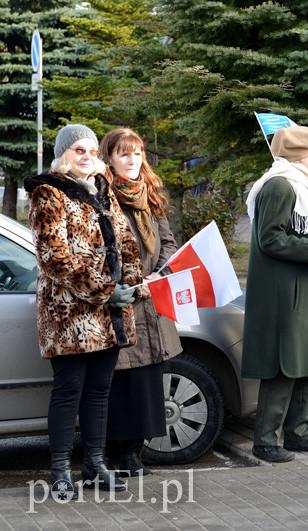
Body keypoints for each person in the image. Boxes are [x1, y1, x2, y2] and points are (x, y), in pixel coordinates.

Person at [24, 124, 142, 493]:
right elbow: (54, 258)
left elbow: (126, 243)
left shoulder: (102, 190)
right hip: (69, 315)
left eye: (92, 150)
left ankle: (95, 465)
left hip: (108, 316)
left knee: (99, 391)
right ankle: (60, 471)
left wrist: (131, 283)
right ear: (63, 154)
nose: (87, 156)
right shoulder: (48, 192)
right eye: (79, 150)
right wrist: (106, 290)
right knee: (68, 390)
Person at [241, 126, 308, 463]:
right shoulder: (280, 186)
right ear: (300, 155)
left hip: (305, 289)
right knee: (284, 364)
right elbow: (271, 239)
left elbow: (301, 231)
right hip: (286, 293)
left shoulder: (297, 185)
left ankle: (300, 432)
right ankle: (266, 440)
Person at [99, 128, 182, 476]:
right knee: (119, 383)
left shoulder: (150, 194)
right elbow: (97, 250)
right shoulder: (101, 197)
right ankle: (110, 452)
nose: (132, 160)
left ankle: (134, 453)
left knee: (147, 381)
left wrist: (158, 276)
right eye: (124, 153)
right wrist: (128, 283)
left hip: (152, 300)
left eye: (137, 153)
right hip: (119, 302)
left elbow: (168, 243)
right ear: (109, 158)